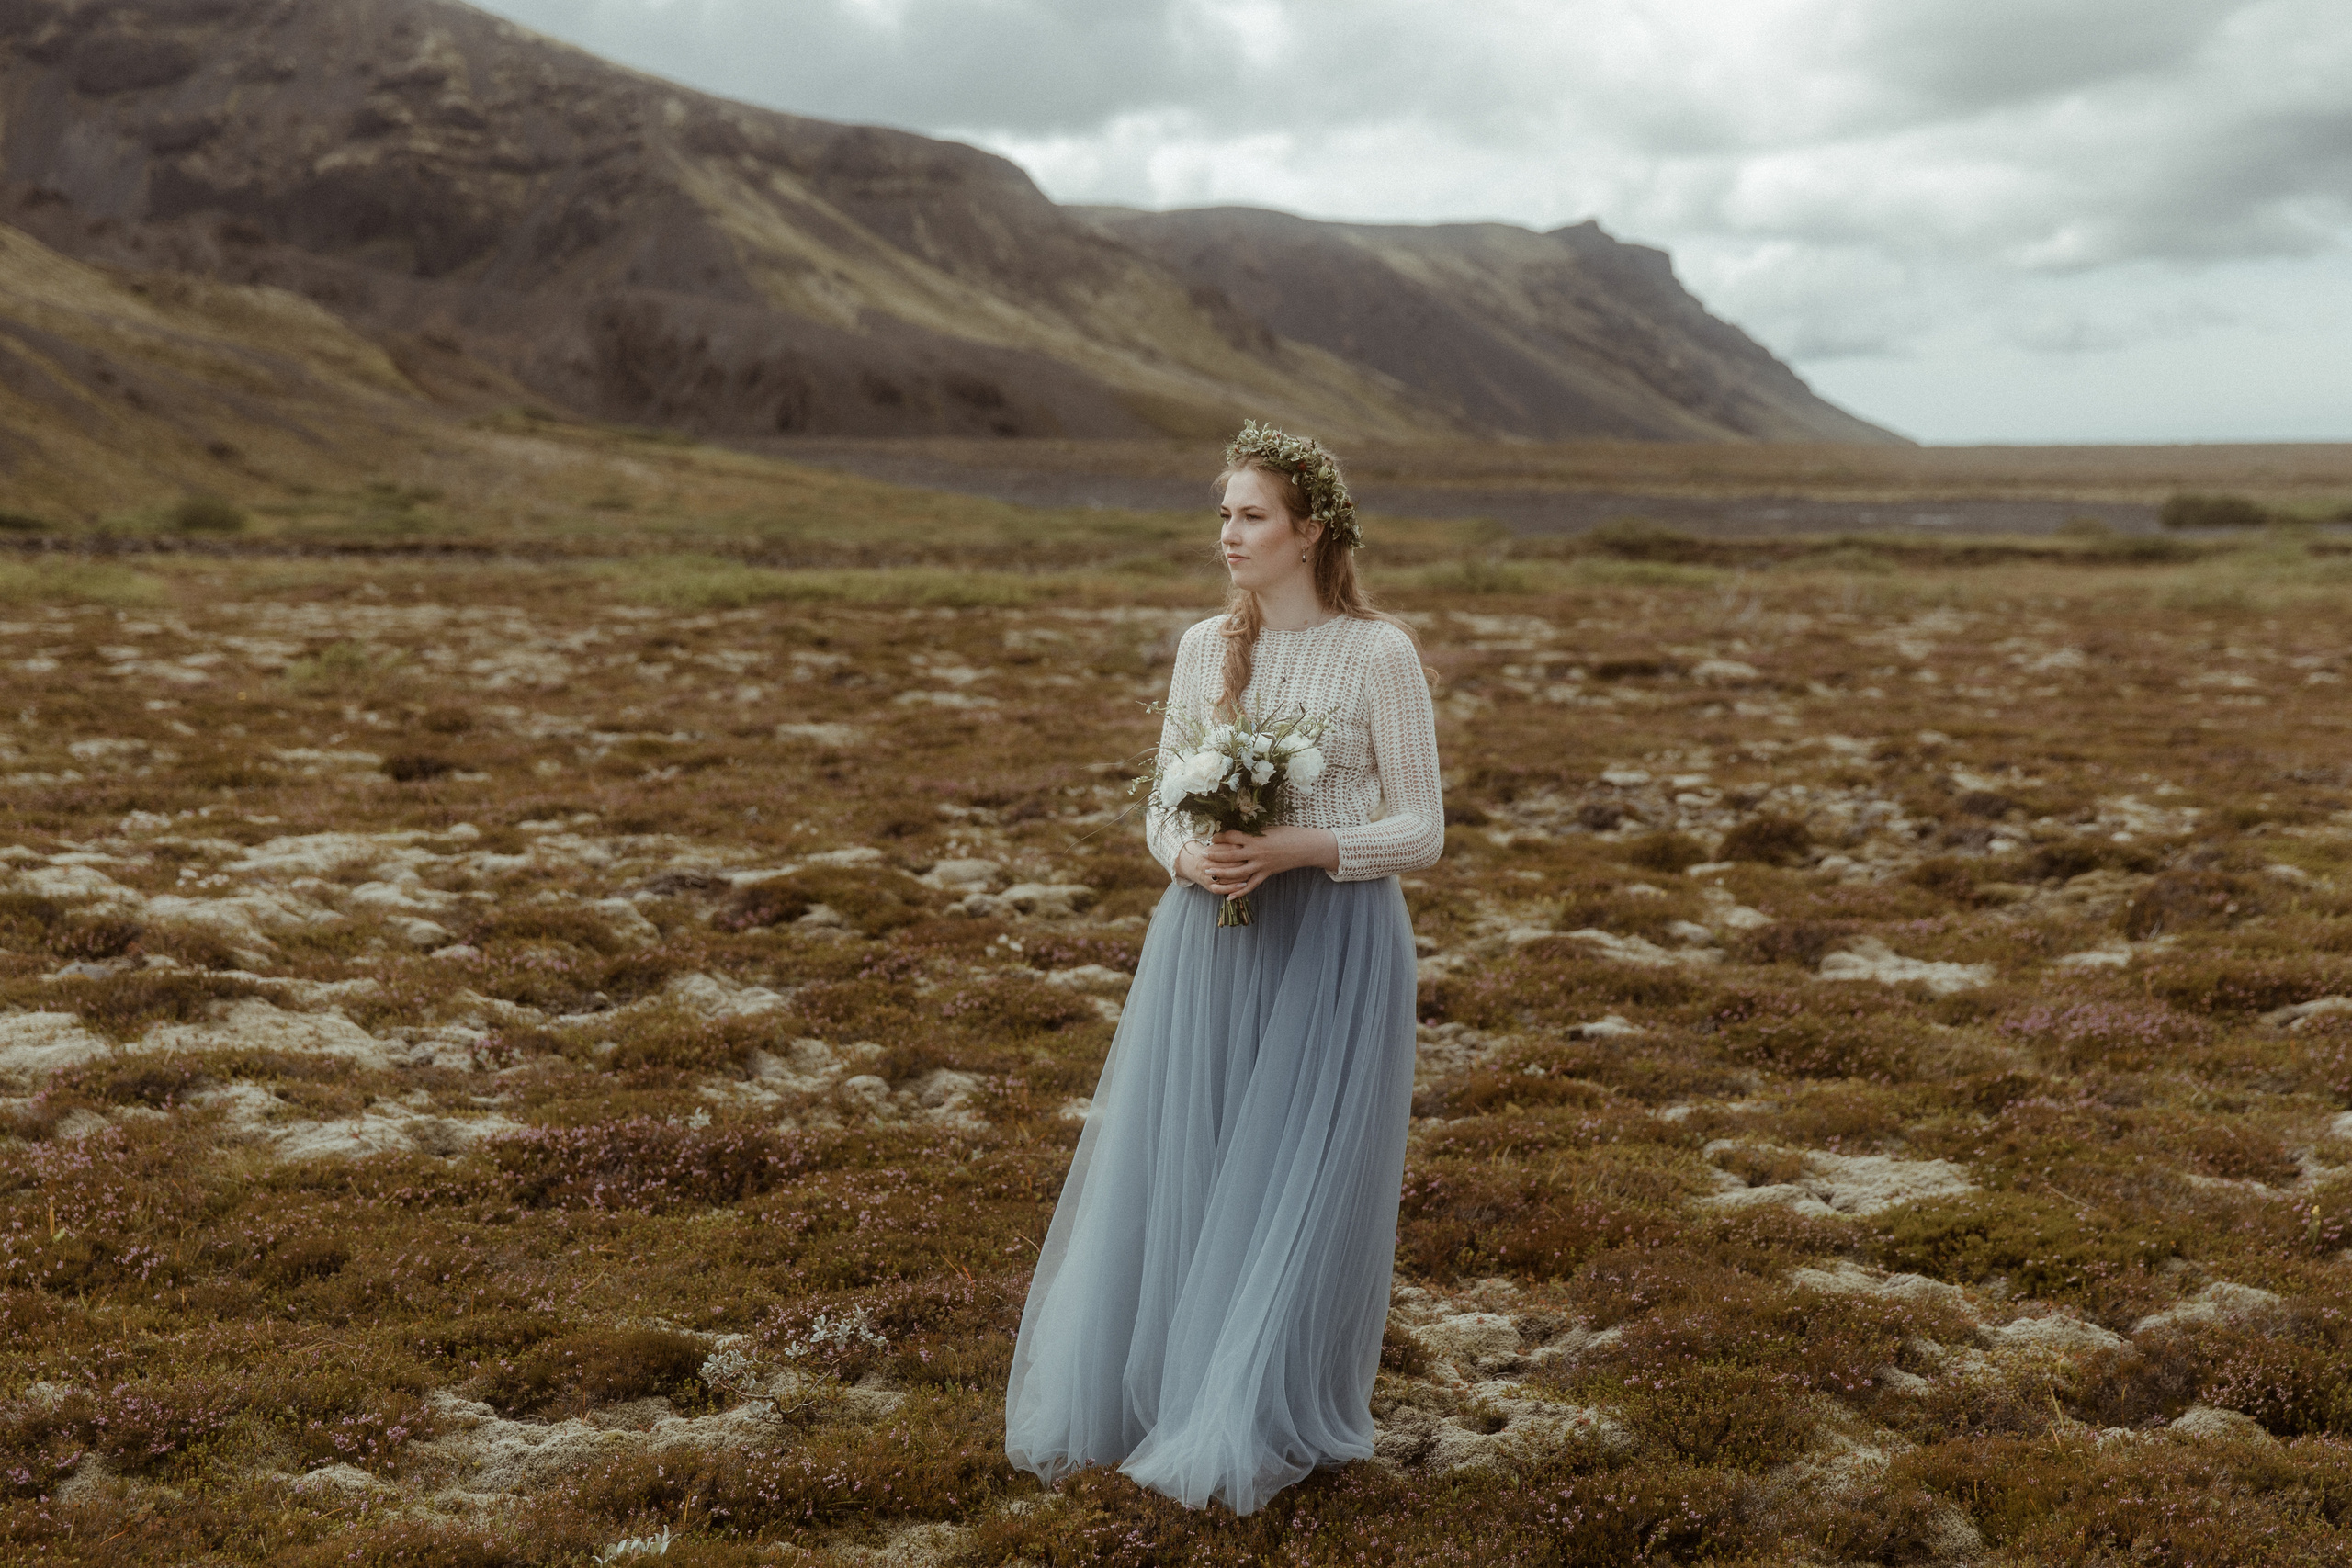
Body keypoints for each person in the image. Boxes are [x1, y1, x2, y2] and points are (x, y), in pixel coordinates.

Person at [1003, 422, 1444, 1515]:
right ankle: (1174, 1396)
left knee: (1304, 1179)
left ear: (1311, 531)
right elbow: (1159, 798)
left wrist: (1296, 848)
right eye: (1222, 515)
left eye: (1250, 516)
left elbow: (1423, 829)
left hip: (1336, 945)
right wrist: (1186, 853)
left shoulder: (1379, 652)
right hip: (1208, 942)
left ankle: (1263, 1403)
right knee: (1190, 1165)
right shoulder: (1204, 647)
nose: (1227, 536)